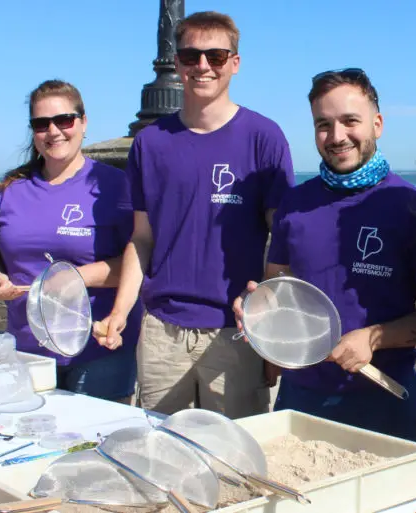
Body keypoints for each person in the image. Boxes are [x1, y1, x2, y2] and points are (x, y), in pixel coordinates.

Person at [94, 11, 294, 418]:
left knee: (239, 458)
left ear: (234, 64)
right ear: (178, 64)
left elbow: (285, 239)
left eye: (216, 56)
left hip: (236, 333)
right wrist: (119, 311)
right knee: (163, 454)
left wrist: (274, 325)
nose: (203, 66)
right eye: (191, 56)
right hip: (161, 332)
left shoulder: (264, 137)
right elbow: (142, 238)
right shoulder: (150, 144)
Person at [232, 69, 416, 442]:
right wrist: (255, 309)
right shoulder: (295, 204)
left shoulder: (414, 207)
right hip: (301, 395)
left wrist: (373, 338)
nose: (337, 136)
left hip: (385, 397)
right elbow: (276, 288)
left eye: (350, 121)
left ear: (377, 124)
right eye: (323, 124)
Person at [0, 79, 140, 403]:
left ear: (83, 122)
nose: (54, 131)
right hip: (27, 351)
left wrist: (73, 278)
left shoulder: (115, 186)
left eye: (64, 120)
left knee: (92, 447)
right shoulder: (11, 190)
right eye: (41, 123)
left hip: (98, 349)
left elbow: (139, 260)